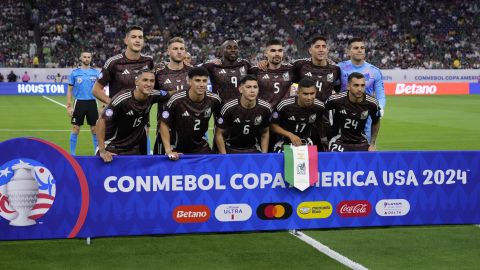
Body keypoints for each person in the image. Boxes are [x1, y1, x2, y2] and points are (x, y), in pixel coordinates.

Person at [93, 25, 155, 153]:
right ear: (126, 40)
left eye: (140, 37)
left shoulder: (149, 61)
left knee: (140, 164)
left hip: (139, 122)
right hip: (117, 122)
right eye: (133, 37)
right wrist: (112, 103)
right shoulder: (114, 62)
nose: (137, 40)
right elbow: (96, 89)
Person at [96, 69, 169, 162]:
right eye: (145, 80)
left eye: (152, 81)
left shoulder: (154, 95)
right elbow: (101, 121)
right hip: (113, 147)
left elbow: (171, 94)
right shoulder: (122, 99)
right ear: (136, 82)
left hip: (135, 148)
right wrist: (102, 150)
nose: (149, 84)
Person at [159, 67, 221, 160]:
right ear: (189, 81)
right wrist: (168, 150)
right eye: (197, 80)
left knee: (212, 168)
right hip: (177, 147)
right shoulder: (177, 99)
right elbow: (164, 124)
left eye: (204, 81)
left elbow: (221, 124)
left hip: (200, 147)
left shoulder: (214, 100)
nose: (201, 84)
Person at [338, 37, 385, 142]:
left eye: (362, 48)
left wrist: (380, 107)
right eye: (356, 48)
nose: (360, 50)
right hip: (342, 116)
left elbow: (380, 95)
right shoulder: (339, 68)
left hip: (365, 119)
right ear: (348, 51)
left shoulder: (374, 71)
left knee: (366, 151)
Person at [153, 37, 193, 154]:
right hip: (165, 129)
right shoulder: (159, 72)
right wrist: (165, 94)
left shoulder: (192, 72)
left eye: (182, 49)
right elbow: (149, 95)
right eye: (175, 49)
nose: (179, 51)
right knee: (161, 169)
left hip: (188, 129)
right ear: (168, 51)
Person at [215, 75, 272, 154]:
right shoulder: (229, 107)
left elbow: (265, 133)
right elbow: (219, 133)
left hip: (252, 149)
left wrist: (264, 154)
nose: (252, 90)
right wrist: (224, 156)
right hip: (230, 148)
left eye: (255, 87)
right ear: (240, 89)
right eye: (248, 87)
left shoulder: (265, 108)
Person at [325, 72, 381, 152]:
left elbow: (376, 121)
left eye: (362, 85)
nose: (360, 89)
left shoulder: (372, 103)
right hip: (338, 141)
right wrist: (324, 136)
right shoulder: (336, 100)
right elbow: (320, 112)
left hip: (361, 142)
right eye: (356, 85)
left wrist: (372, 144)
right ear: (348, 86)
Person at [270, 78, 326, 152]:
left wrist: (324, 139)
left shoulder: (320, 106)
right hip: (284, 141)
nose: (309, 98)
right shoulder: (285, 105)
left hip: (307, 141)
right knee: (287, 161)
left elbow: (320, 123)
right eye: (305, 94)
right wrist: (290, 135)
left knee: (312, 161)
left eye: (312, 93)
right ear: (298, 93)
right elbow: (272, 126)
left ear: (316, 92)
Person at [66, 51, 100, 155]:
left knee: (95, 129)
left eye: (88, 57)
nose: (86, 59)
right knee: (76, 128)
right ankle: (72, 154)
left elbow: (101, 89)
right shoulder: (75, 73)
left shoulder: (96, 73)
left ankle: (96, 153)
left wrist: (102, 104)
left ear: (91, 58)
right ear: (81, 58)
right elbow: (70, 90)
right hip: (79, 102)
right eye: (84, 57)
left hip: (92, 102)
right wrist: (69, 106)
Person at [250, 39, 294, 108]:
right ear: (266, 54)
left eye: (280, 50)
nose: (277, 54)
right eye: (273, 51)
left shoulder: (292, 70)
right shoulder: (255, 71)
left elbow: (297, 87)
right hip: (263, 113)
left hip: (285, 113)